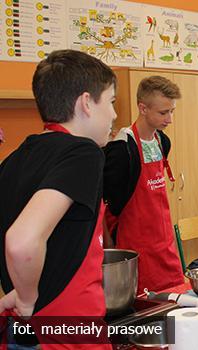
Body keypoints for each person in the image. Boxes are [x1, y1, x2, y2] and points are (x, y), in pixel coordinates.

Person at [0, 49, 116, 349]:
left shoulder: (14, 160)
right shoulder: (83, 152)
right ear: (87, 103)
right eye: (112, 102)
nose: (115, 114)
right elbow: (21, 240)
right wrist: (26, 298)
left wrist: (21, 294)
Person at [103, 76, 184, 292]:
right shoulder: (122, 148)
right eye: (163, 112)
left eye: (172, 111)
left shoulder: (162, 141)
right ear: (143, 108)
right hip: (135, 245)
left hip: (164, 244)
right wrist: (110, 248)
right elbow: (105, 204)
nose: (170, 119)